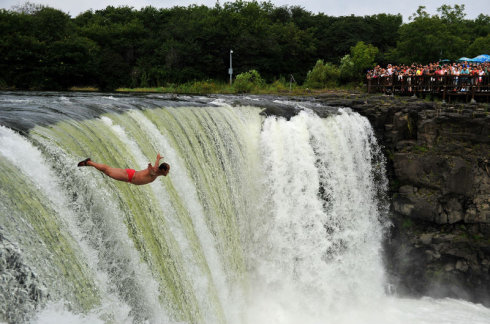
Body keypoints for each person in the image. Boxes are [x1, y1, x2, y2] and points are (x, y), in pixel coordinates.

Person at [77, 153, 170, 185]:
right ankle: (89, 162)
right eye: (168, 170)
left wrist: (157, 158)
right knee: (108, 171)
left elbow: (156, 166)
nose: (168, 172)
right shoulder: (155, 171)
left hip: (131, 173)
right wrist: (150, 169)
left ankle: (90, 163)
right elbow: (152, 172)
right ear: (163, 170)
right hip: (129, 176)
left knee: (108, 170)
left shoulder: (157, 169)